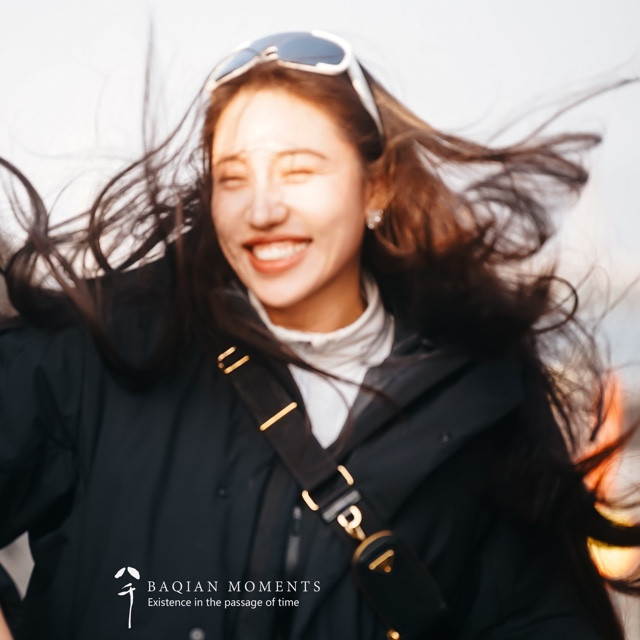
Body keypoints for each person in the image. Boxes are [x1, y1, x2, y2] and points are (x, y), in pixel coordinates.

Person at [0, 29, 639, 640]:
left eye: (299, 171)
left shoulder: (474, 400)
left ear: (377, 185)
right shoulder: (108, 351)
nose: (262, 209)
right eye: (233, 178)